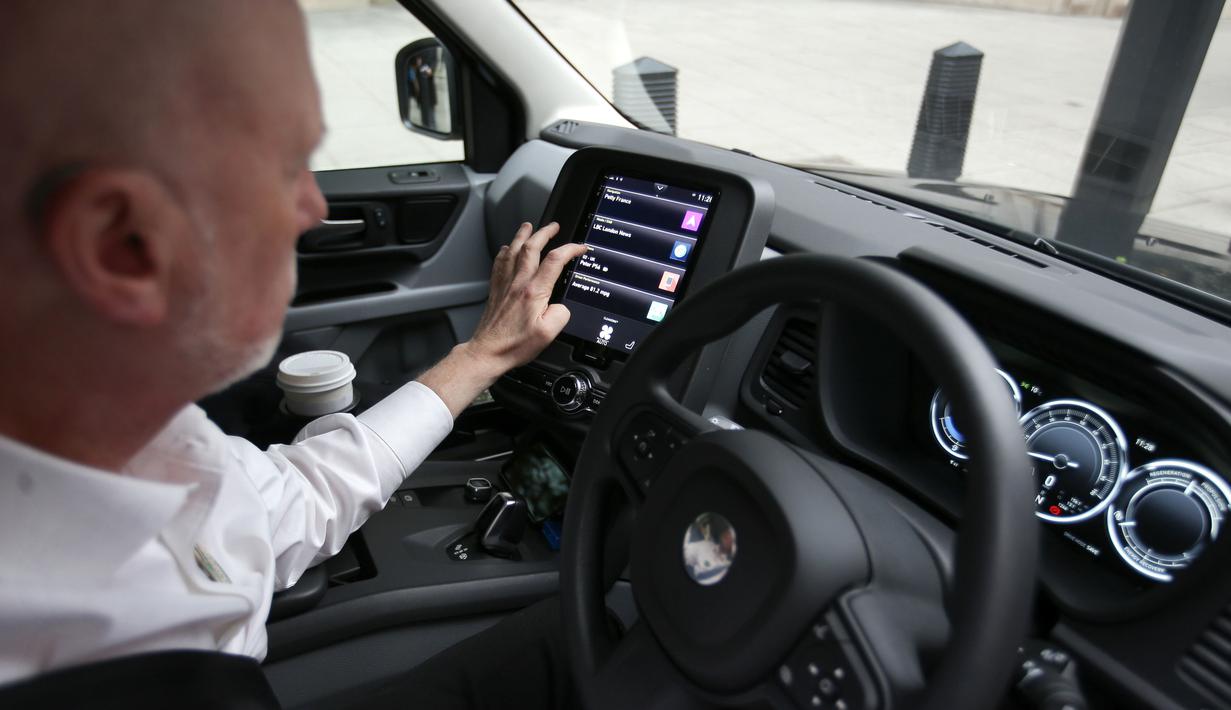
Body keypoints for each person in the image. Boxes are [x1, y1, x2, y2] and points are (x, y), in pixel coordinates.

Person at [0, 1, 586, 706]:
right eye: (288, 165)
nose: (312, 207)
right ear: (120, 243)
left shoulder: (123, 417)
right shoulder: (88, 660)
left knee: (569, 635)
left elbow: (290, 502)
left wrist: (482, 356)